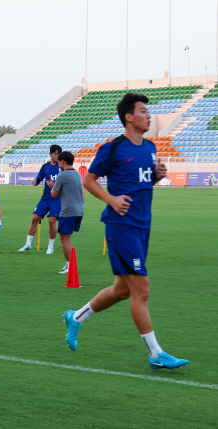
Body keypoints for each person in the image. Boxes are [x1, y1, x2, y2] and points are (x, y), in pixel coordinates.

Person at [63, 93, 187, 369]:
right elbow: (89, 180)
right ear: (129, 117)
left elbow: (142, 185)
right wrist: (111, 199)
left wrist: (156, 176)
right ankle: (156, 354)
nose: (148, 115)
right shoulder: (114, 147)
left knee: (121, 290)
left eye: (148, 111)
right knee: (140, 291)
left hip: (143, 225)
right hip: (121, 226)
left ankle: (76, 318)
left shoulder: (151, 147)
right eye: (143, 111)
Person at [18, 144, 61, 254]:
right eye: (56, 153)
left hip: (57, 199)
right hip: (45, 198)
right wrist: (35, 182)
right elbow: (38, 178)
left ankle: (50, 246)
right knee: (35, 218)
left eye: (59, 153)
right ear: (50, 154)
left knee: (52, 220)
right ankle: (28, 244)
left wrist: (54, 185)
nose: (58, 155)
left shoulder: (62, 166)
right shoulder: (45, 167)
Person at [50, 151, 83, 274]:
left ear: (62, 161)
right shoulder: (77, 174)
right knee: (67, 238)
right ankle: (70, 263)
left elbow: (54, 194)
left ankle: (70, 265)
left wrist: (51, 187)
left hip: (68, 211)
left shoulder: (62, 175)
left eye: (59, 161)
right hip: (79, 210)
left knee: (64, 239)